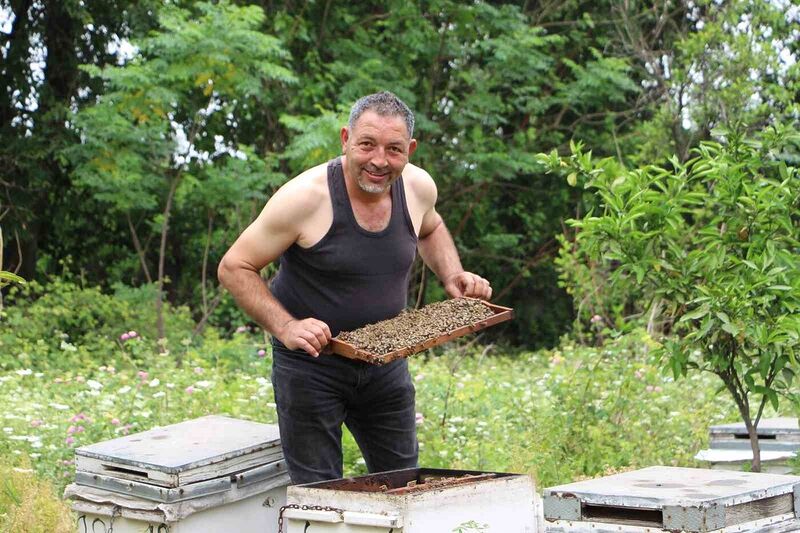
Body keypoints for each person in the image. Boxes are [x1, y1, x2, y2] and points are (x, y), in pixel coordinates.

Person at [217, 91, 492, 484]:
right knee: (321, 492)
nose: (380, 160)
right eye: (367, 144)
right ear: (346, 139)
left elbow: (430, 227)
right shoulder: (304, 198)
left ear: (410, 150)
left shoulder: (417, 188)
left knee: (402, 484)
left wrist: (453, 274)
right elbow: (234, 267)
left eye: (394, 149)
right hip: (311, 368)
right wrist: (287, 327)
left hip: (385, 362)